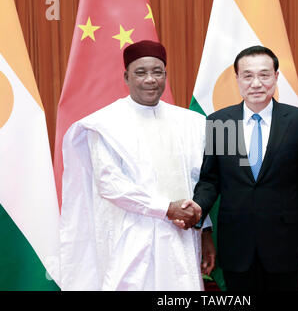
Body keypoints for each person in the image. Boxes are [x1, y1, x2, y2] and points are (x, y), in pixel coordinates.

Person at [59, 40, 215, 291]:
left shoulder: (191, 123)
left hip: (182, 236)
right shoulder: (106, 123)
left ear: (165, 75)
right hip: (132, 238)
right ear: (126, 76)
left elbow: (198, 181)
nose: (150, 79)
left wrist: (204, 232)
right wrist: (166, 208)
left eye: (157, 72)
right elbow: (110, 184)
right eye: (140, 72)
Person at [191, 45, 298, 291]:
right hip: (237, 246)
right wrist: (197, 206)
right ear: (237, 79)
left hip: (285, 246)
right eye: (248, 75)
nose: (256, 83)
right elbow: (211, 180)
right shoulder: (222, 123)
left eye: (264, 74)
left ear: (276, 77)